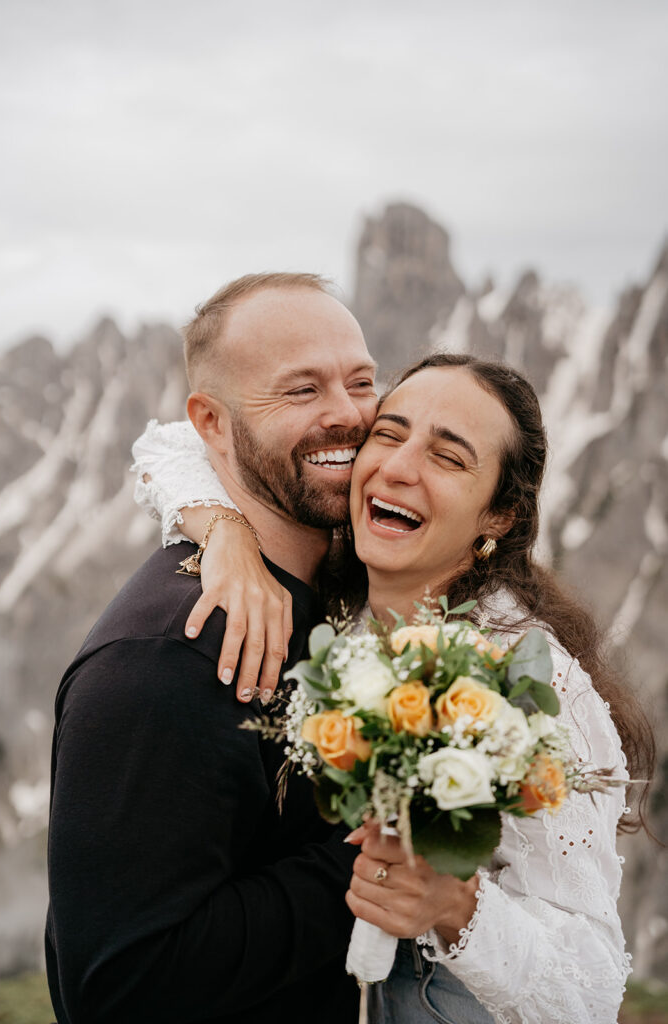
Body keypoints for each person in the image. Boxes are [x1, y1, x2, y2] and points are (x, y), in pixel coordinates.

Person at [132, 353, 655, 1024]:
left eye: (447, 457)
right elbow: (170, 440)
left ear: (497, 514)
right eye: (388, 432)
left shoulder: (535, 682)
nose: (398, 467)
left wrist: (456, 907)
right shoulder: (340, 586)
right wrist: (225, 532)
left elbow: (592, 988)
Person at [45, 272, 380, 1024]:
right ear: (214, 425)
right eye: (300, 391)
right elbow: (122, 986)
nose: (347, 415)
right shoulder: (166, 658)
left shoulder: (317, 593)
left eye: (360, 381)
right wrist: (372, 855)